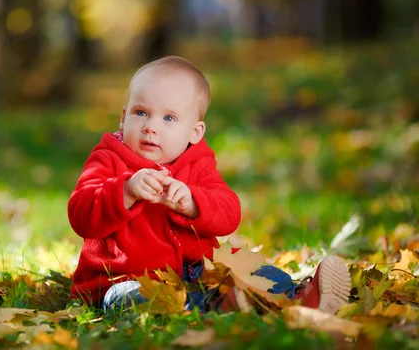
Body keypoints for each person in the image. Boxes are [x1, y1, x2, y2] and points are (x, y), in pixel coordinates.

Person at [67, 56, 351, 314]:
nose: (150, 126)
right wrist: (125, 190)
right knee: (130, 300)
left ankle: (301, 297)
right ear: (123, 117)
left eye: (168, 118)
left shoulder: (198, 164)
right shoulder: (109, 159)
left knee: (259, 271)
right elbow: (80, 214)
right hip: (124, 278)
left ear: (194, 131)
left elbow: (229, 213)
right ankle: (225, 305)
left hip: (198, 272)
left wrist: (193, 203)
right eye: (140, 113)